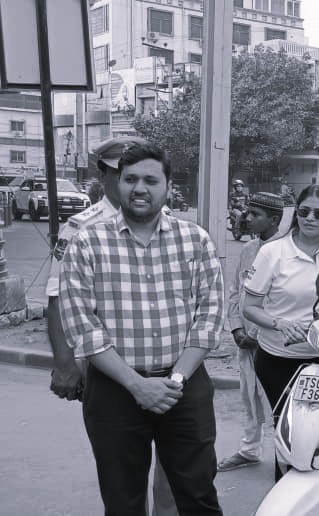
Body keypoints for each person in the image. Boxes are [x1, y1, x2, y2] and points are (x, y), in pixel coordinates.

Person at [59, 140, 225, 515]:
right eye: (130, 179)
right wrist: (137, 385)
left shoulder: (195, 240)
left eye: (150, 180)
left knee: (198, 496)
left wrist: (175, 380)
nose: (139, 188)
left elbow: (210, 317)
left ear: (168, 186)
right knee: (123, 501)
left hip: (183, 388)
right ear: (117, 184)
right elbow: (83, 326)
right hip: (115, 392)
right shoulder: (87, 243)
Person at [46, 135, 179, 516]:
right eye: (123, 173)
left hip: (168, 368)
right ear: (104, 176)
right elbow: (58, 298)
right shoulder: (80, 228)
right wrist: (65, 364)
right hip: (109, 369)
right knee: (123, 479)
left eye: (145, 176)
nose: (135, 185)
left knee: (175, 475)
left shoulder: (170, 223)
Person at [242, 185, 319, 426]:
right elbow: (250, 307)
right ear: (296, 213)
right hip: (279, 358)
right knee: (287, 426)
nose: (310, 218)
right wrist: (280, 324)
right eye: (304, 211)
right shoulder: (272, 252)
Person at [217, 192, 285, 472]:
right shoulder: (248, 249)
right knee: (248, 395)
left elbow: (281, 302)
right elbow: (236, 291)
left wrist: (256, 334)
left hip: (272, 343)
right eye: (247, 212)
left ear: (274, 220)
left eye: (255, 214)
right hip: (245, 340)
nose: (247, 218)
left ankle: (287, 457)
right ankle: (249, 449)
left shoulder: (286, 251)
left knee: (278, 402)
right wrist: (236, 328)